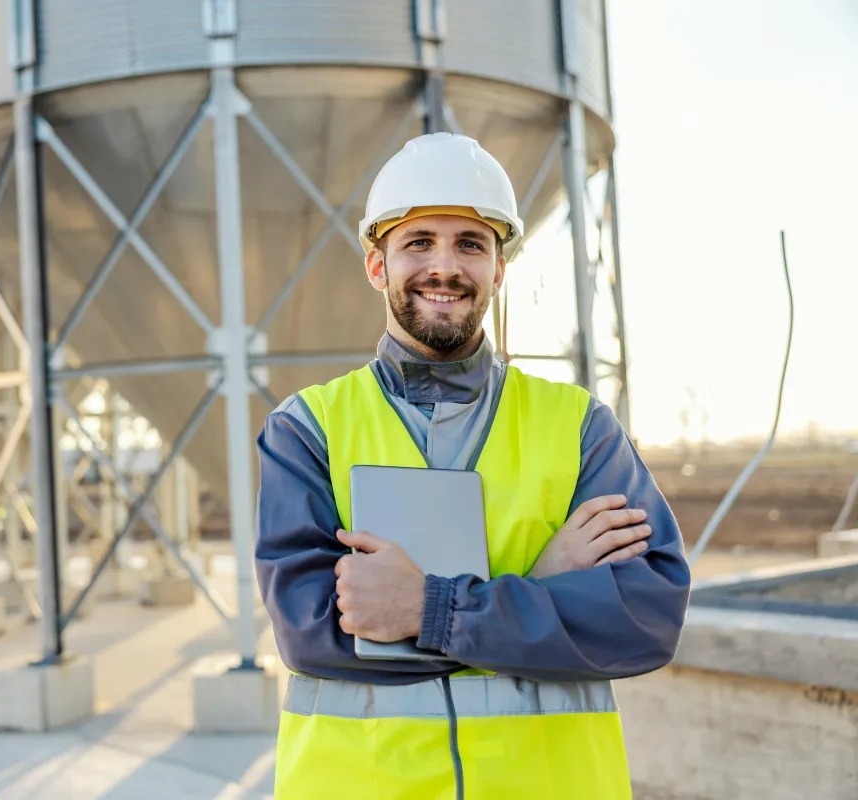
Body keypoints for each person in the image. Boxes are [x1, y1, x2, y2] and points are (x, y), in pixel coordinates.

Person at [254, 132, 691, 799]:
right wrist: (539, 586)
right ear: (378, 265)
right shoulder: (307, 429)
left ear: (498, 268)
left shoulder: (578, 428)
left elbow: (645, 620)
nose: (445, 267)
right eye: (419, 241)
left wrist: (429, 610)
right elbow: (313, 634)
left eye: (470, 244)